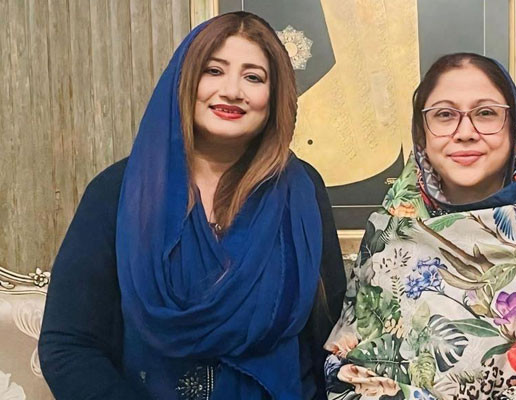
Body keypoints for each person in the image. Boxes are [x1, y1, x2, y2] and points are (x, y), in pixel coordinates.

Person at [38, 12, 345, 400]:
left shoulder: (301, 191)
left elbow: (330, 337)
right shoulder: (117, 192)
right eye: (213, 71)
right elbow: (68, 346)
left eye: (253, 77)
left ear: (275, 96)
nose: (232, 91)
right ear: (184, 81)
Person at [324, 53, 516, 400]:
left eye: (486, 113)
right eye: (444, 115)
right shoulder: (391, 229)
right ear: (421, 133)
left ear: (515, 128)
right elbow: (346, 361)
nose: (465, 133)